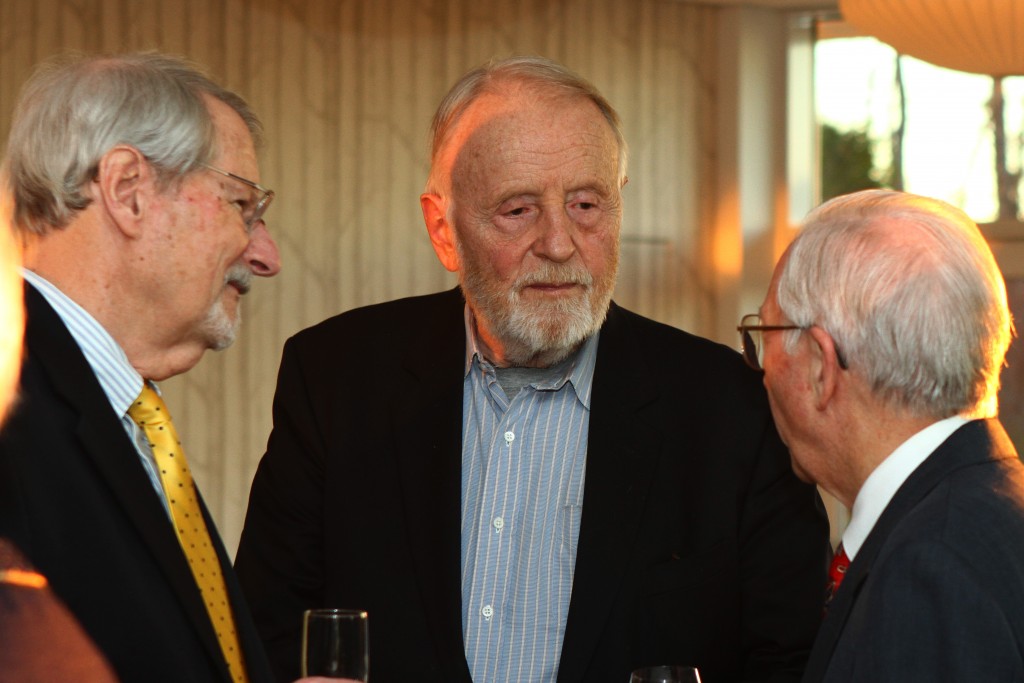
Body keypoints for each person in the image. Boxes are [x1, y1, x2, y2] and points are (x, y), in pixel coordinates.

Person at [235, 55, 830, 683]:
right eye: (518, 210)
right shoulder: (335, 378)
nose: (559, 243)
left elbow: (794, 663)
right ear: (442, 229)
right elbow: (265, 638)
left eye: (586, 204)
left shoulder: (734, 410)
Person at [0, 51, 283, 683]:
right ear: (128, 190)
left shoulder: (128, 413)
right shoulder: (9, 404)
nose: (266, 256)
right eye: (242, 205)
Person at [742, 189, 1024, 682]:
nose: (763, 373)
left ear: (821, 368)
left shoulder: (930, 567)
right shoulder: (985, 506)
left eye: (765, 337)